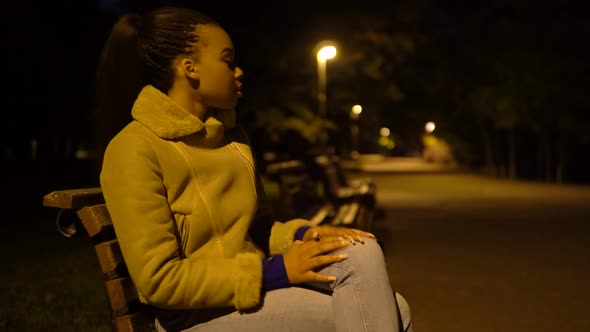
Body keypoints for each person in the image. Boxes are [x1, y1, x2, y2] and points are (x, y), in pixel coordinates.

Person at [96, 6, 413, 332]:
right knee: (390, 313)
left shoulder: (232, 138)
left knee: (367, 259)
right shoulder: (135, 148)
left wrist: (305, 235)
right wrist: (276, 272)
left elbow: (257, 228)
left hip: (250, 294)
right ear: (189, 68)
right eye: (227, 60)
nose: (239, 72)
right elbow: (159, 280)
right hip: (195, 315)